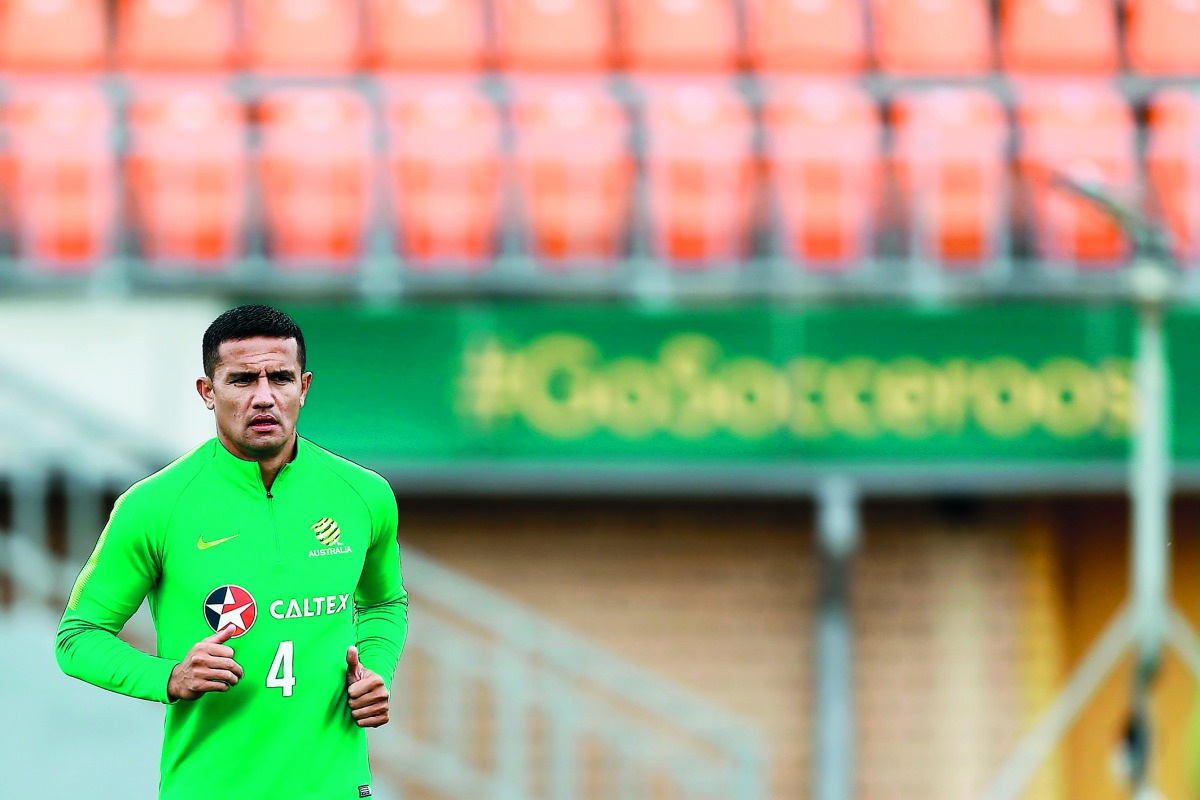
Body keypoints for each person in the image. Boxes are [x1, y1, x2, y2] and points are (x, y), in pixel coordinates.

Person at [56, 304, 408, 800]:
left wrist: (374, 670)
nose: (264, 397)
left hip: (337, 787)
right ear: (208, 391)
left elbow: (385, 603)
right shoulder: (154, 506)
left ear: (303, 387)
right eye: (243, 380)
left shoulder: (364, 495)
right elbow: (77, 638)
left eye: (280, 378)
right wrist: (169, 676)